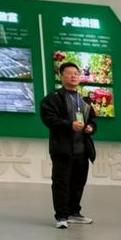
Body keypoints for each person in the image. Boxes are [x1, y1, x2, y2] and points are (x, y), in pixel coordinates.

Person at [39, 62, 97, 229]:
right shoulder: (53, 98)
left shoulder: (84, 100)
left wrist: (90, 128)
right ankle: (61, 216)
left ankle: (74, 213)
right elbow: (49, 119)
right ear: (61, 76)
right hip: (62, 149)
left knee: (78, 183)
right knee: (61, 183)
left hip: (82, 150)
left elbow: (92, 121)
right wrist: (69, 125)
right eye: (69, 73)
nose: (73, 76)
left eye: (76, 74)